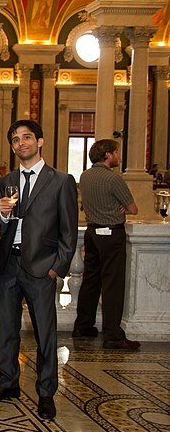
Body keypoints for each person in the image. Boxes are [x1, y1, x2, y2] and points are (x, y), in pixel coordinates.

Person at [0, 120, 78, 420]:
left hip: (41, 267)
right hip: (9, 264)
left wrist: (56, 269)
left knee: (45, 333)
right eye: (15, 139)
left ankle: (46, 392)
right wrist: (2, 213)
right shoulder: (6, 181)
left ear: (40, 141)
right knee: (6, 329)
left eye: (26, 138)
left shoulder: (61, 181)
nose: (20, 143)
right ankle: (8, 382)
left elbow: (69, 232)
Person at [74, 139, 139, 350]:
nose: (118, 156)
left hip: (93, 233)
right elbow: (133, 209)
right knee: (112, 284)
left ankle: (83, 325)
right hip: (112, 235)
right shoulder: (114, 179)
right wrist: (122, 206)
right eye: (117, 153)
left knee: (90, 280)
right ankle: (112, 334)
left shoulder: (85, 176)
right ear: (108, 155)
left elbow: (86, 205)